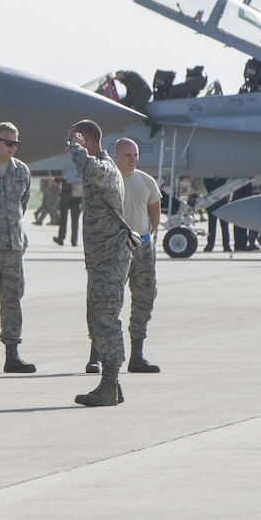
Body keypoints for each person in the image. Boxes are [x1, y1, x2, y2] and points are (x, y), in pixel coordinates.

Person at [65, 119, 134, 407]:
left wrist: (75, 147)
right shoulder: (102, 169)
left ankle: (108, 385)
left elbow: (91, 168)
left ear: (85, 139)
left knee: (105, 320)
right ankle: (112, 386)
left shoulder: (105, 167)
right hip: (101, 259)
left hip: (109, 259)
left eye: (75, 140)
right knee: (98, 318)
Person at [0, 122, 35, 372]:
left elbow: (22, 204)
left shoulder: (22, 171)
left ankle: (12, 354)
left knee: (13, 301)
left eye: (16, 143)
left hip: (14, 248)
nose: (13, 148)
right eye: (8, 142)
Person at [112, 137, 162, 375]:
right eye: (127, 155)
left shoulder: (146, 181)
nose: (132, 160)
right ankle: (98, 355)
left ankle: (137, 355)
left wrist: (144, 239)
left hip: (142, 249)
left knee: (144, 299)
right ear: (117, 157)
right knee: (107, 302)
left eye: (135, 155)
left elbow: (154, 217)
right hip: (114, 249)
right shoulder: (109, 180)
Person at [56, 166, 82, 246]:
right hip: (77, 195)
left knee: (63, 217)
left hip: (66, 194)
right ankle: (74, 240)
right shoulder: (80, 166)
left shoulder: (65, 167)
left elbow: (57, 180)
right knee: (75, 220)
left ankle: (61, 238)